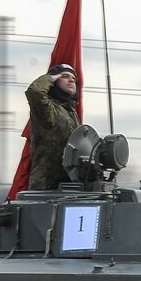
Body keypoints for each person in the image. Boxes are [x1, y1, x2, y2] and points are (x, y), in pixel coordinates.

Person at [25, 63, 80, 192]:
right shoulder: (48, 109)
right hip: (46, 186)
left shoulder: (71, 112)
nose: (71, 80)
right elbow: (35, 92)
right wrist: (50, 78)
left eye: (73, 78)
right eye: (65, 76)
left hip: (69, 184)